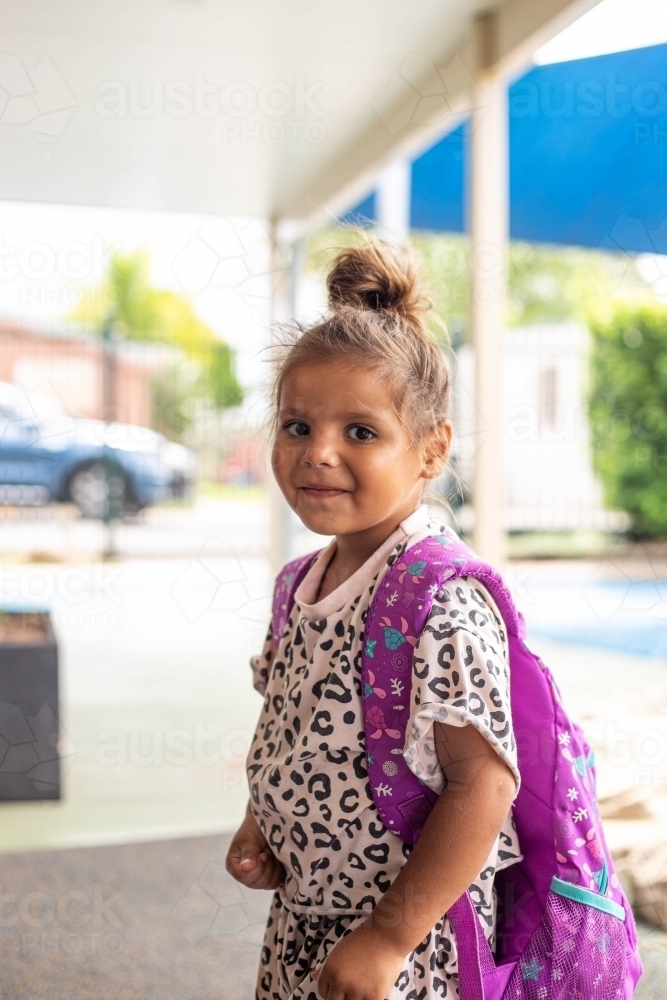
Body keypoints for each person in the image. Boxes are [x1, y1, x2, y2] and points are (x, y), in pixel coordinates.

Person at [226, 239, 521, 1000]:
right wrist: (262, 819)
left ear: (430, 452)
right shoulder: (299, 583)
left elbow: (481, 786)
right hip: (306, 918)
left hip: (408, 945)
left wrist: (388, 936)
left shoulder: (440, 599)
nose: (317, 453)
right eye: (297, 427)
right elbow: (286, 718)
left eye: (359, 432)